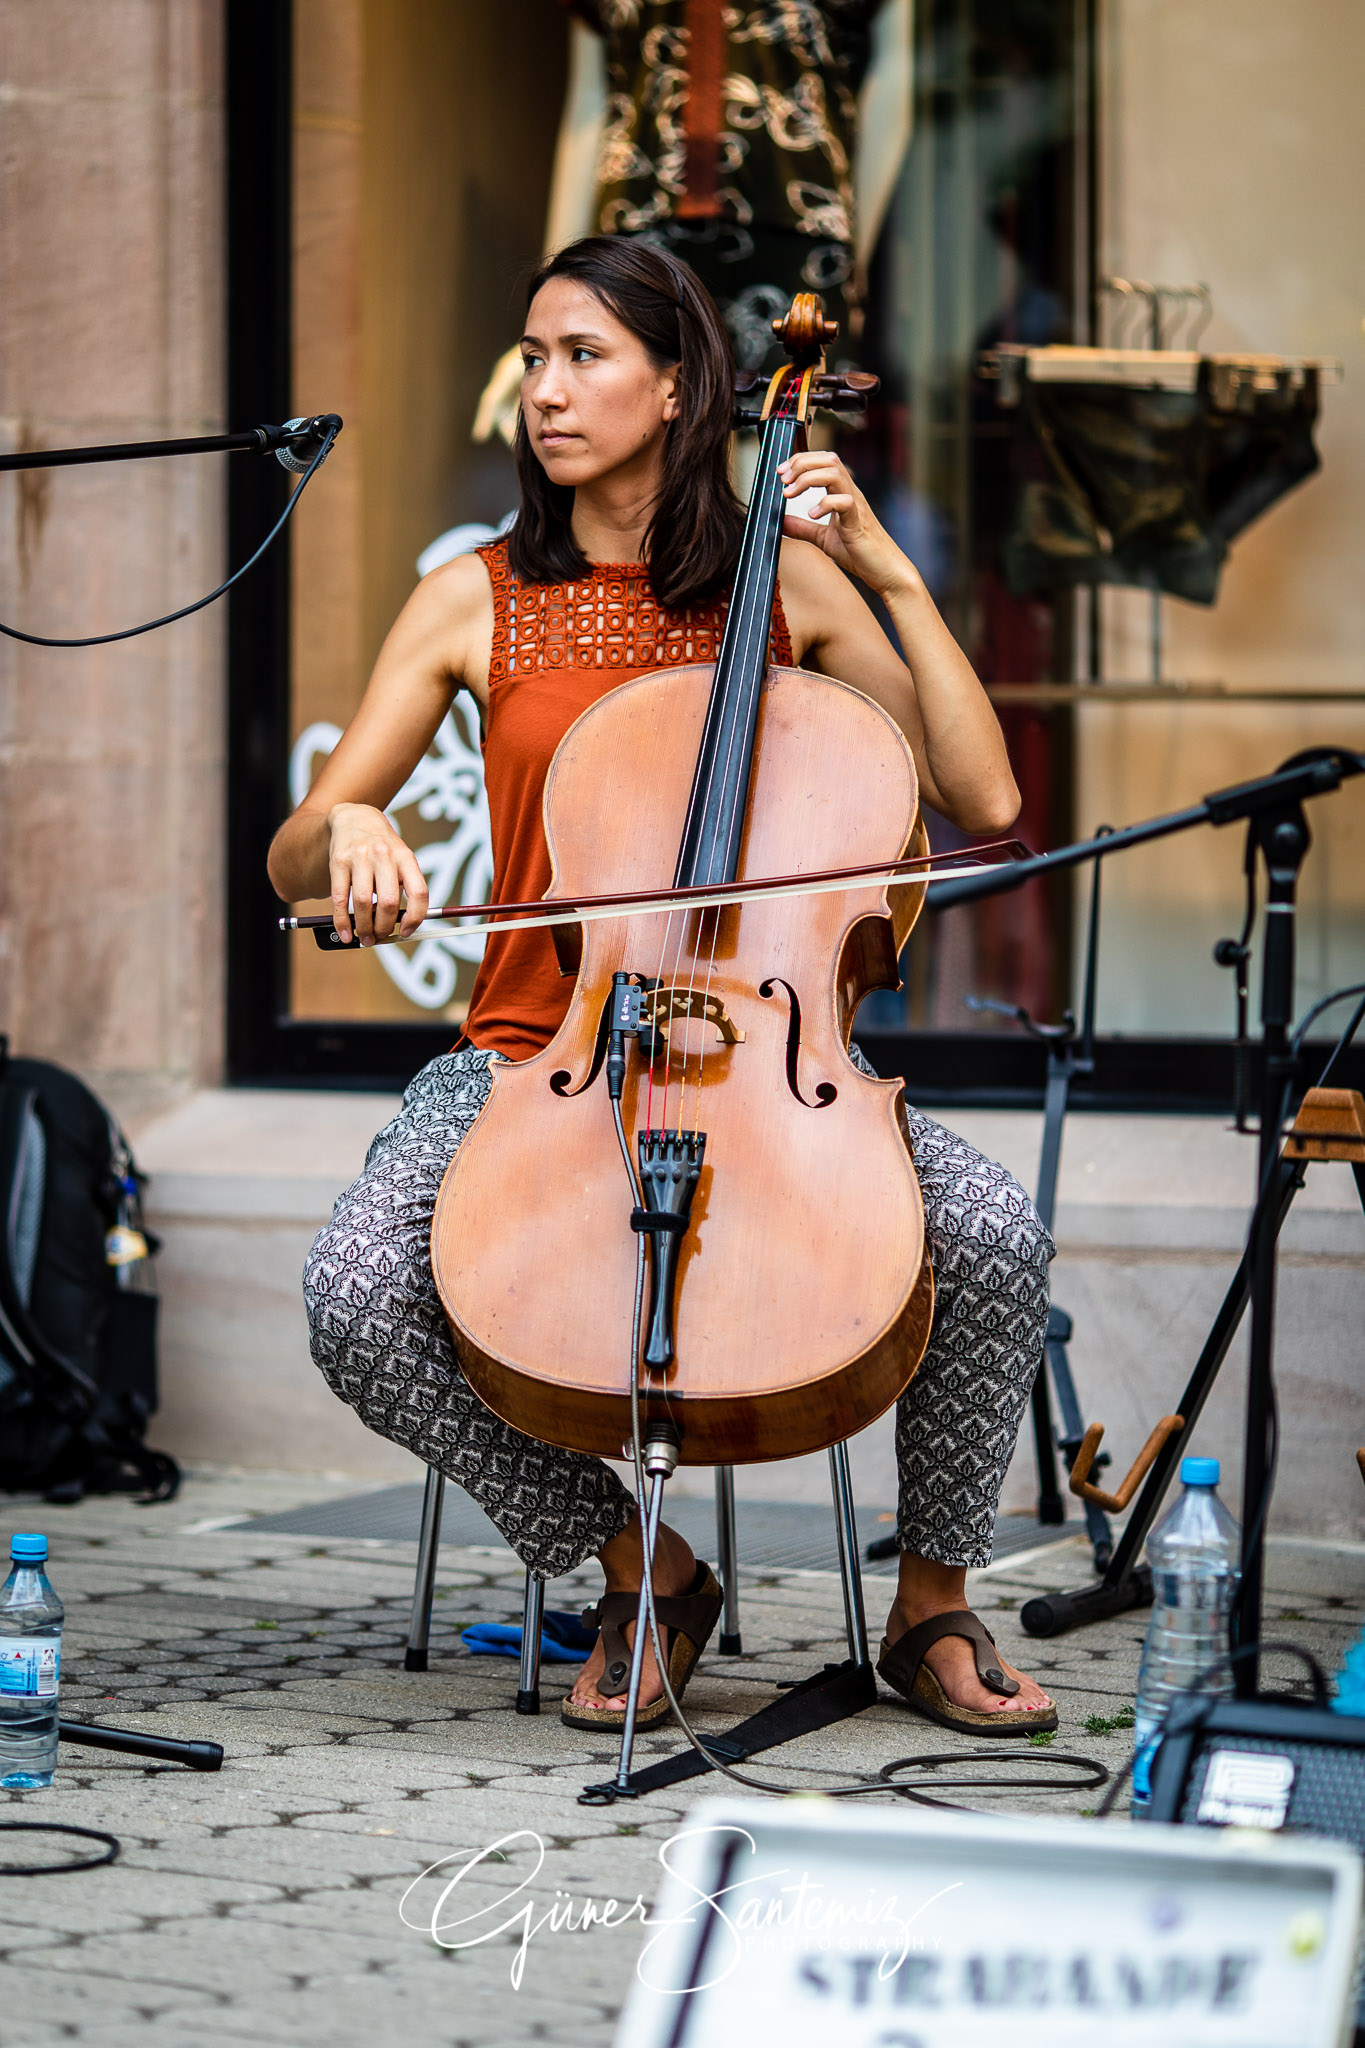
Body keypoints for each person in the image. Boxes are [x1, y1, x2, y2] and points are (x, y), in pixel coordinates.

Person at [268, 234, 1057, 1737]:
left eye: (582, 357)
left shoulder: (790, 590)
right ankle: (643, 1564)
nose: (543, 392)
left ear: (683, 383)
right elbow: (293, 857)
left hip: (772, 1057)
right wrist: (346, 828)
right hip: (531, 1051)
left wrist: (877, 564)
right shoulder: (474, 596)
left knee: (994, 1237)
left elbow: (978, 791)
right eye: (534, 358)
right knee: (358, 1296)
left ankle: (933, 1605)